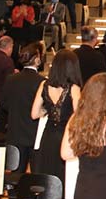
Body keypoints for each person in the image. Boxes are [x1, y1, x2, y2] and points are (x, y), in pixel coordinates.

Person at [0, 43, 44, 199]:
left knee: (15, 173)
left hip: (15, 132)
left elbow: (3, 103)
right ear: (37, 59)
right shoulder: (41, 82)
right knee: (36, 172)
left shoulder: (11, 79)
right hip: (34, 134)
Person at [31, 49, 82, 184]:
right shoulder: (74, 88)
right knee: (64, 177)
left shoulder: (44, 85)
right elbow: (79, 117)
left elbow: (34, 114)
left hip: (47, 136)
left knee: (47, 174)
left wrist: (48, 111)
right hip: (66, 136)